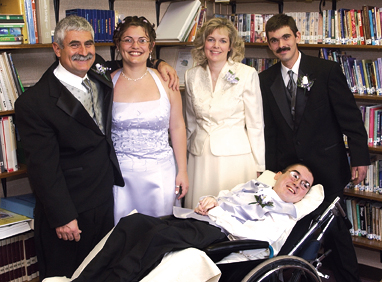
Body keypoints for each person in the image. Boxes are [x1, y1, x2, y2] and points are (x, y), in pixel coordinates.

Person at [14, 15, 178, 280]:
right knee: (68, 275)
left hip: (106, 200)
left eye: (89, 44)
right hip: (71, 210)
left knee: (105, 271)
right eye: (74, 45)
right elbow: (43, 169)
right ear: (57, 49)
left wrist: (159, 62)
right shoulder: (34, 103)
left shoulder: (98, 69)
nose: (83, 52)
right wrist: (63, 217)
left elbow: (130, 56)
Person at [259, 13, 370, 282]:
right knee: (297, 231)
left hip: (327, 166)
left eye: (286, 37)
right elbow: (271, 131)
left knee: (334, 231)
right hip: (291, 173)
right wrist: (271, 171)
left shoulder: (326, 71)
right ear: (269, 45)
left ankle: (349, 278)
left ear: (297, 36)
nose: (281, 44)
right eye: (274, 40)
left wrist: (360, 158)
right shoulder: (265, 80)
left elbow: (350, 117)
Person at [71, 163, 323, 282]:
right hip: (198, 219)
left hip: (220, 235)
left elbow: (258, 237)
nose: (296, 184)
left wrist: (217, 213)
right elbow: (223, 197)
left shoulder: (284, 213)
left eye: (304, 185)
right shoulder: (253, 186)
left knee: (157, 239)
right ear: (278, 175)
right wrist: (209, 200)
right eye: (294, 175)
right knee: (132, 223)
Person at [111, 16, 188, 222]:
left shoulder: (166, 81)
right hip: (121, 176)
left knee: (160, 234)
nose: (135, 46)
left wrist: (182, 171)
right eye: (128, 40)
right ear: (118, 44)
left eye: (142, 40)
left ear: (151, 45)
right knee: (122, 236)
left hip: (160, 172)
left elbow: (178, 126)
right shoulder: (107, 83)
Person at [185, 17, 265, 209]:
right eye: (211, 39)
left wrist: (259, 166)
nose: (216, 46)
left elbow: (255, 124)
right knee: (200, 214)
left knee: (231, 214)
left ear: (230, 46)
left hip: (235, 159)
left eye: (223, 41)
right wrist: (188, 156)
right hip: (200, 159)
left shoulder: (247, 74)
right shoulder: (191, 76)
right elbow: (190, 122)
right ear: (203, 43)